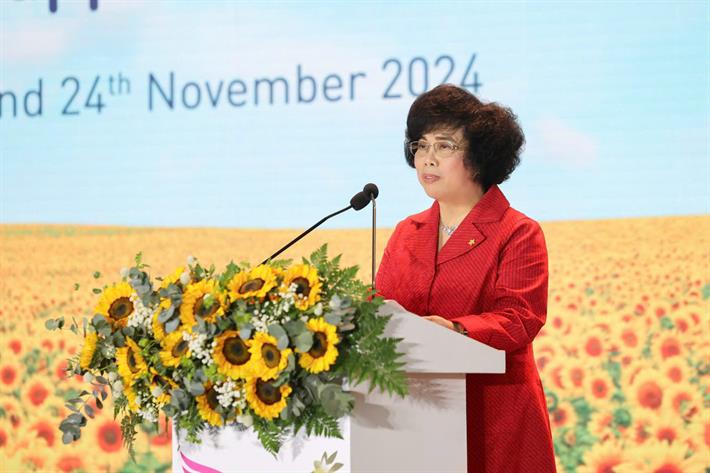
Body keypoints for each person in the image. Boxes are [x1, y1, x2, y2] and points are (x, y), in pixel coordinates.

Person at [375, 84, 556, 473]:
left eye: (444, 146)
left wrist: (455, 330)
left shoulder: (517, 231)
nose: (428, 158)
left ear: (479, 154)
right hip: (417, 415)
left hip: (495, 415)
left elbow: (520, 318)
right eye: (421, 146)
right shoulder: (407, 232)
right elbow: (380, 312)